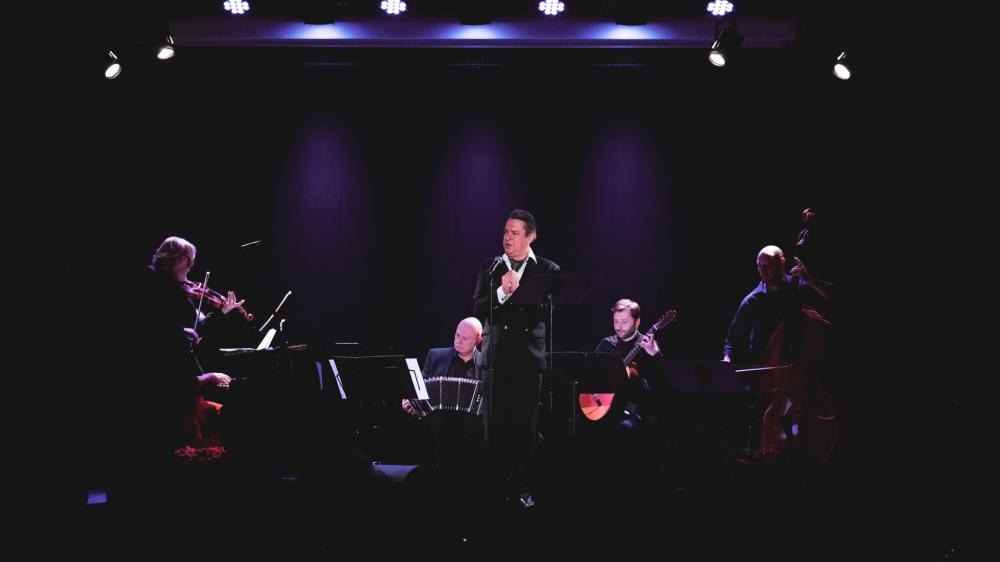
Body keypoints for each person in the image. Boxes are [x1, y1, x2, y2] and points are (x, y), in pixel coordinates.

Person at [472, 209, 560, 505]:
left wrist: (519, 295)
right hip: (495, 358)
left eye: (514, 233)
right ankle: (495, 489)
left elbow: (547, 311)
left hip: (528, 360)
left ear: (530, 236)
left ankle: (523, 487)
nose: (507, 238)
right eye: (505, 232)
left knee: (525, 428)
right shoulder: (490, 266)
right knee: (494, 427)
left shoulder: (547, 269)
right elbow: (477, 307)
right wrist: (500, 292)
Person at [722, 244, 836, 463]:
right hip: (770, 382)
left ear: (781, 263)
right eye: (759, 266)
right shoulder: (753, 300)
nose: (763, 271)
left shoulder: (798, 286)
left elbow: (834, 297)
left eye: (768, 266)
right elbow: (732, 336)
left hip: (802, 379)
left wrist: (810, 280)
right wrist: (727, 359)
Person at [401, 317, 487, 466]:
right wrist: (412, 404)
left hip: (471, 439)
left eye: (465, 338)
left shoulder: (486, 365)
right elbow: (419, 391)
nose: (458, 341)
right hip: (437, 437)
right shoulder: (435, 356)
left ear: (478, 340)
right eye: (457, 335)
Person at [593, 299, 665, 433]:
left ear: (637, 322)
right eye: (616, 321)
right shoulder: (606, 344)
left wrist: (655, 354)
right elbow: (592, 373)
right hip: (605, 405)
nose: (619, 326)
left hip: (635, 409)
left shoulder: (648, 345)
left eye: (624, 321)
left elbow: (662, 382)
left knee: (625, 428)